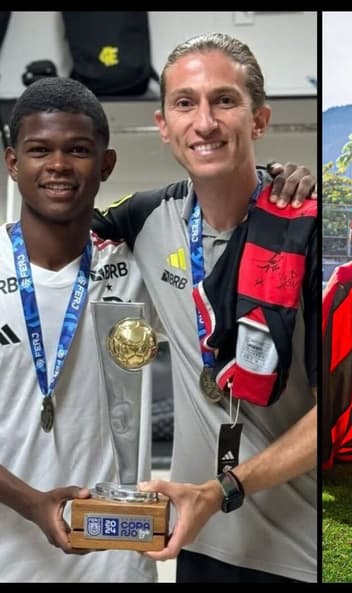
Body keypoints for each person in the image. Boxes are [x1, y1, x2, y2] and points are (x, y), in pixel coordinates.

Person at [91, 33, 317, 582]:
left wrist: (227, 487)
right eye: (185, 103)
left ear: (258, 120)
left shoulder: (305, 226)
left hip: (299, 550)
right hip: (198, 545)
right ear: (163, 123)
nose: (206, 122)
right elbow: (53, 225)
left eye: (225, 100)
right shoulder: (144, 217)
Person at [0, 77, 155, 581]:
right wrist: (30, 502)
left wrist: (276, 181)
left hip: (116, 563)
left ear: (106, 164)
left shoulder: (141, 266)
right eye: (39, 150)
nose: (59, 165)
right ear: (12, 163)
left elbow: (216, 214)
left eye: (79, 150)